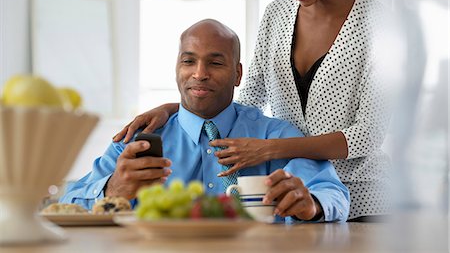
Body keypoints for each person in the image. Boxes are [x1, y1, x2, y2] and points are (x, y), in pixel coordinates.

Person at [113, 0, 398, 222]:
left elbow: (367, 135)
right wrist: (178, 108)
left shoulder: (381, 25)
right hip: (289, 193)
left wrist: (270, 149)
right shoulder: (277, 14)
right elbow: (249, 97)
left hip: (362, 198)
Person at [61, 19, 349, 222]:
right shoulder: (139, 140)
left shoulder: (277, 136)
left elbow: (333, 195)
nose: (199, 74)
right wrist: (113, 190)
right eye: (188, 61)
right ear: (177, 69)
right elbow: (66, 204)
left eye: (215, 62)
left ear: (238, 75)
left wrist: (312, 204)